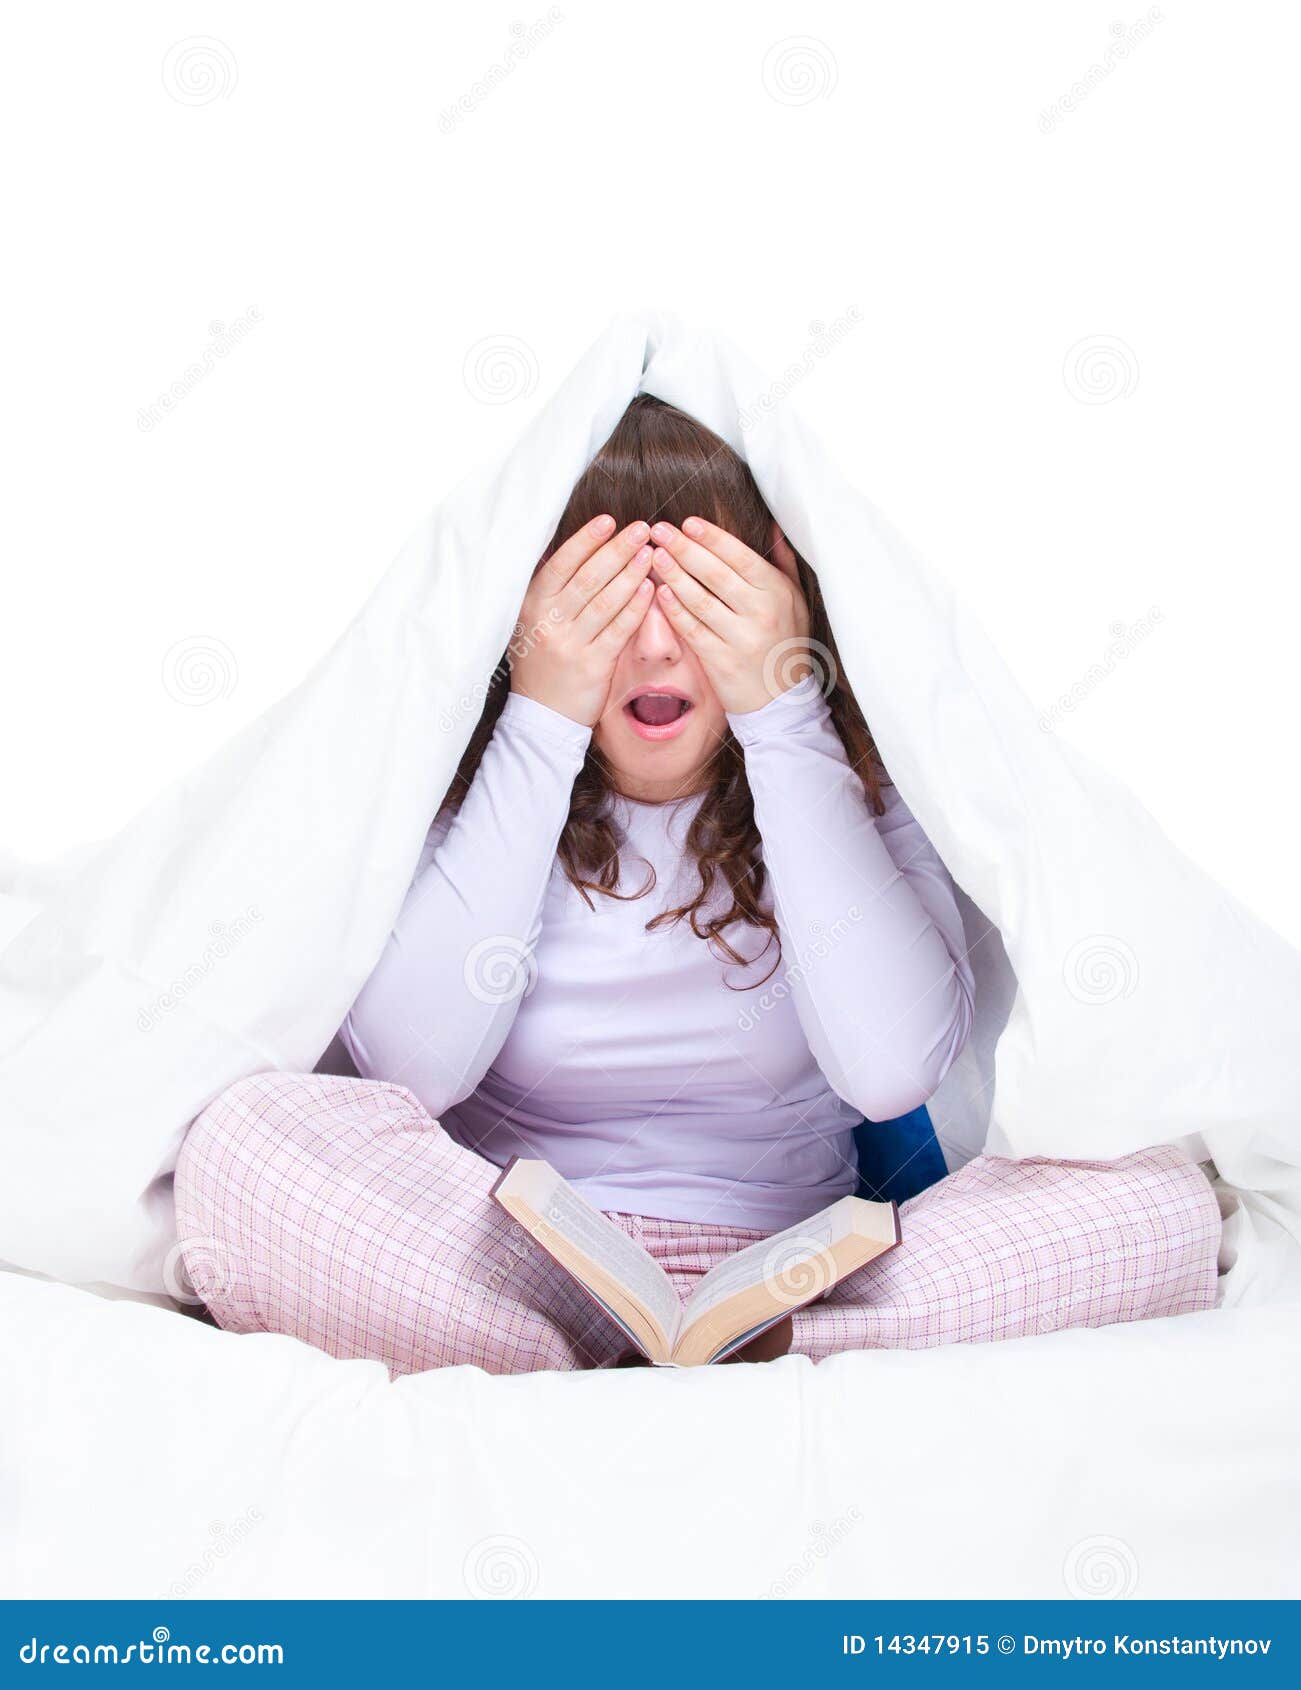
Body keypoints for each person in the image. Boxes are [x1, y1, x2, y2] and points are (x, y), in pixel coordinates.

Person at [174, 398, 1220, 1374]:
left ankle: (728, 1353)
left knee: (1158, 1203)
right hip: (505, 1261)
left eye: (704, 597)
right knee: (240, 1146)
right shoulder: (462, 783)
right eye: (608, 600)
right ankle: (593, 1346)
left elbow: (889, 1072)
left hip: (791, 1276)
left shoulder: (850, 779)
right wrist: (540, 718)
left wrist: (780, 713)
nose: (659, 644)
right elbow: (409, 1069)